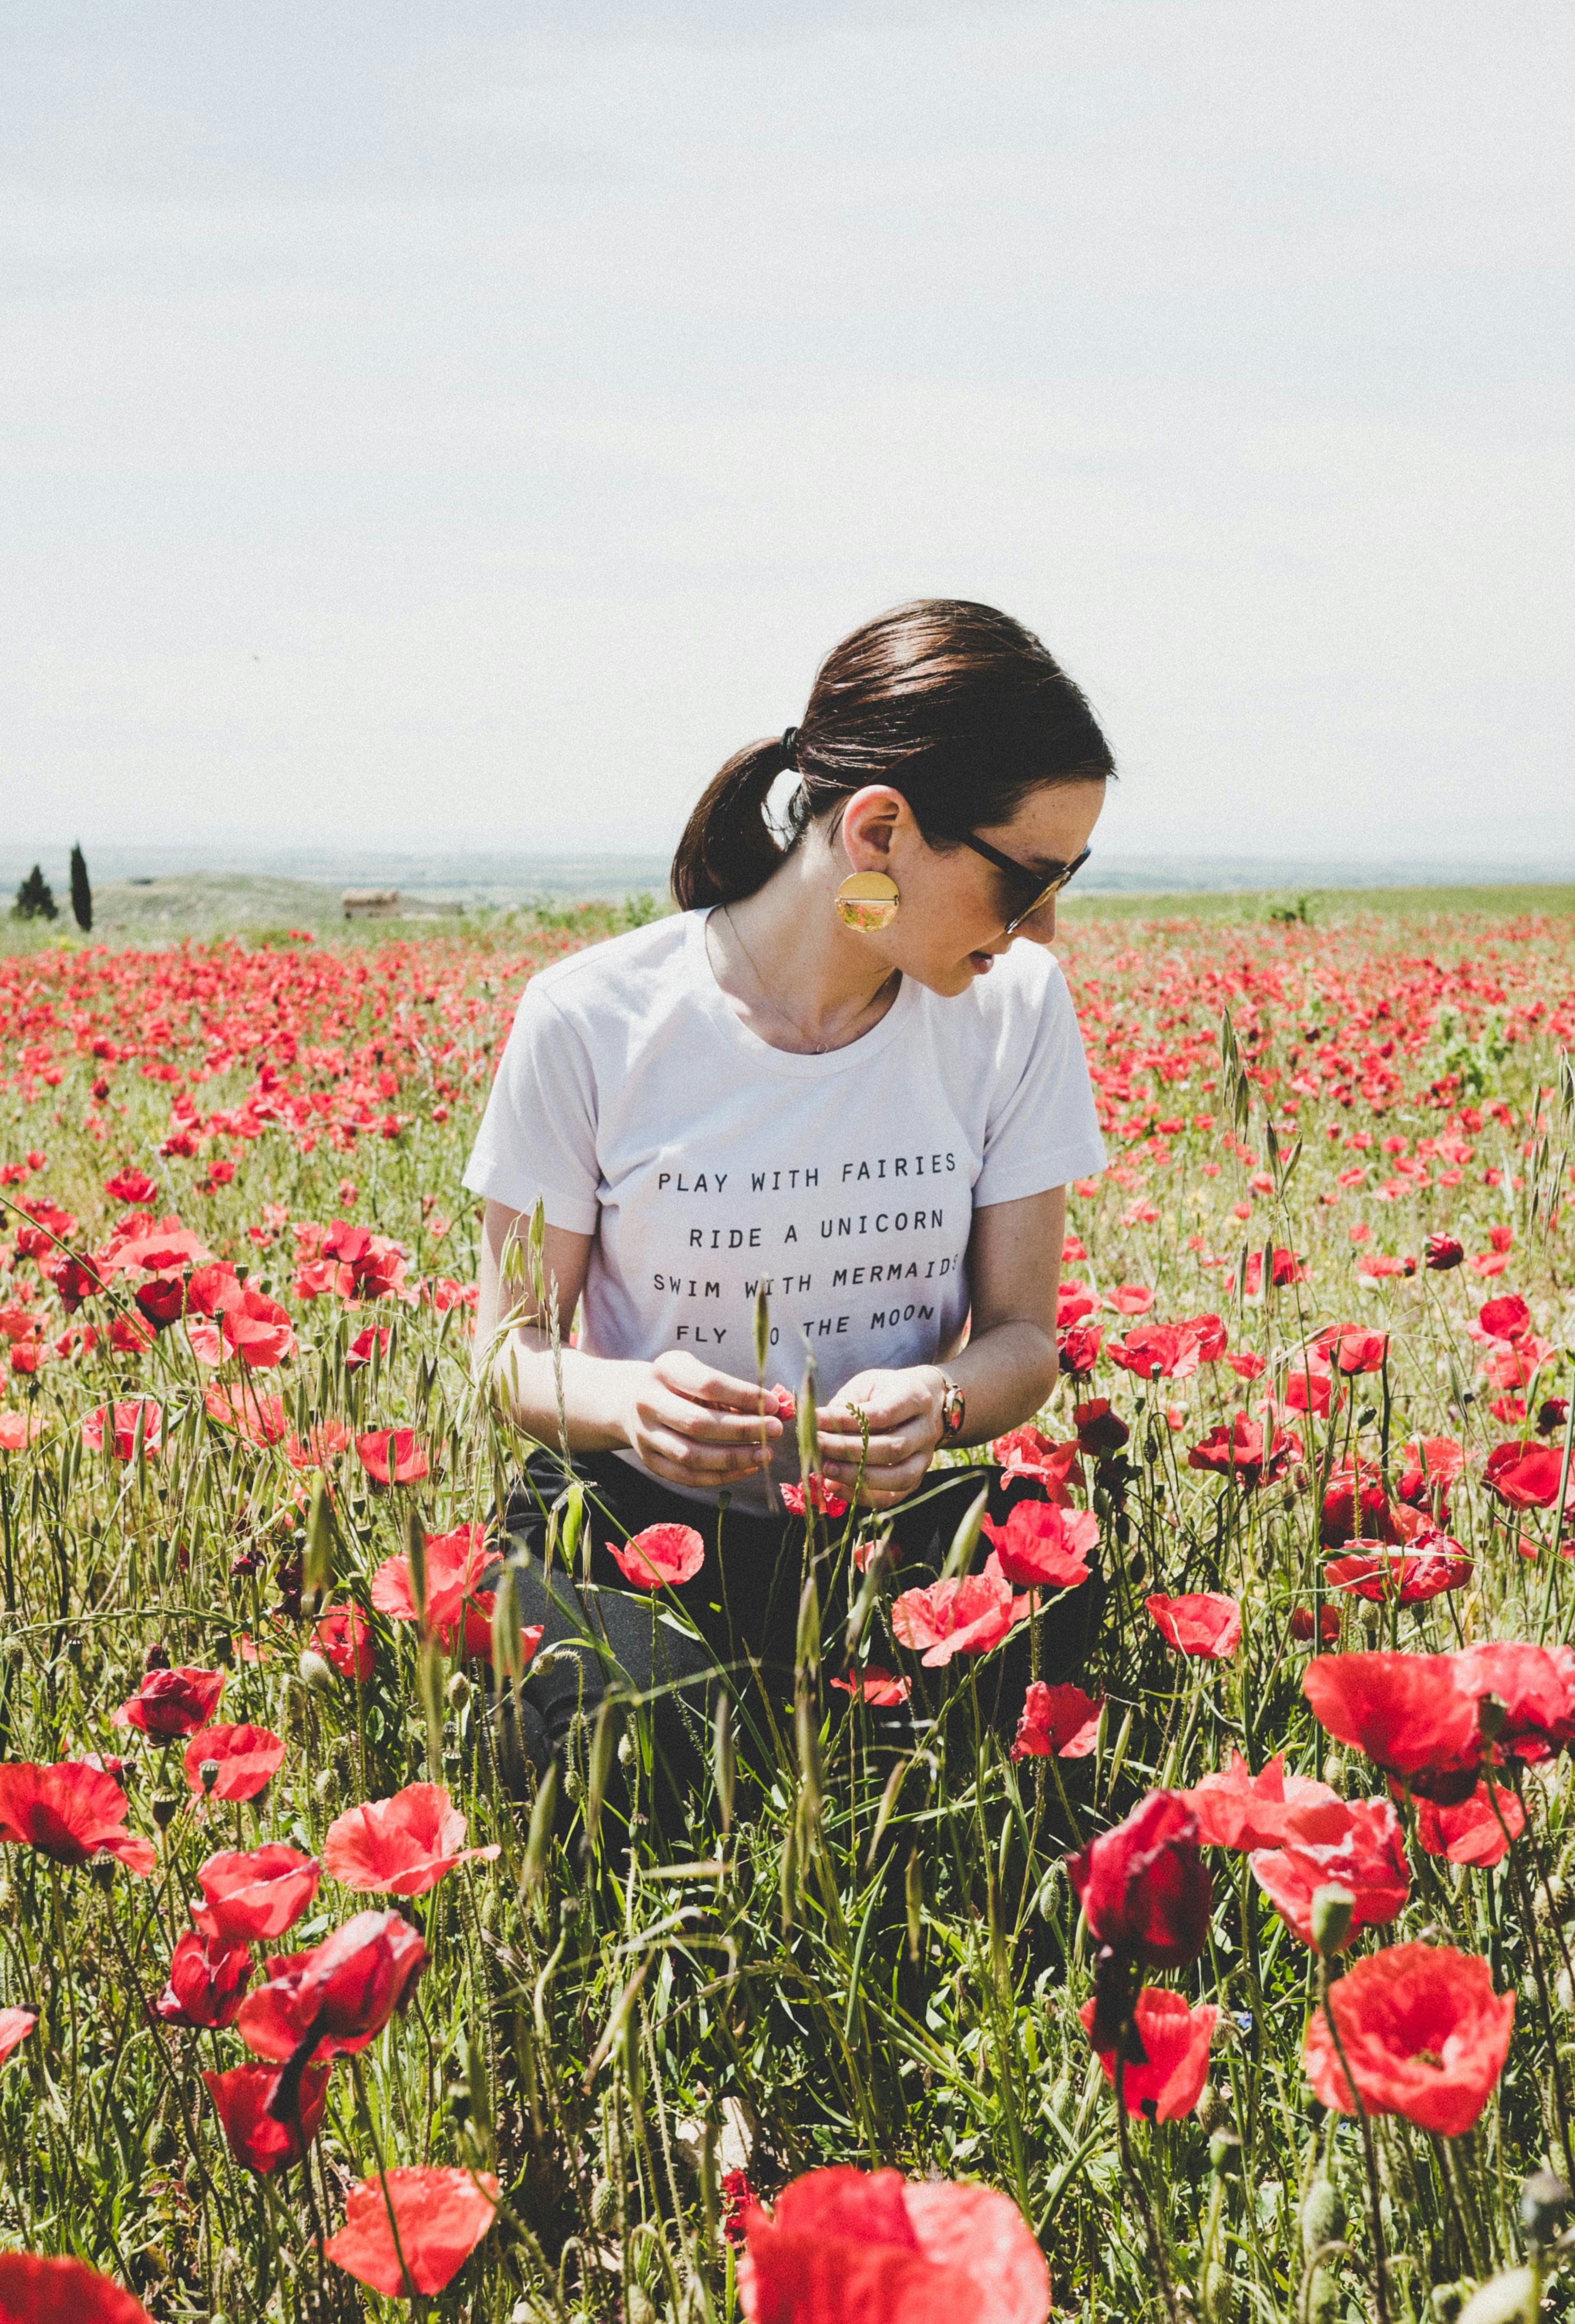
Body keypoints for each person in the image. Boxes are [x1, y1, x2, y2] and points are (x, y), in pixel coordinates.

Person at [465, 598, 1111, 1806]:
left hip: (898, 1516)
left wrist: (941, 1398)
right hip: (633, 1509)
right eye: (1026, 879)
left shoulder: (1017, 1010)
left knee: (1004, 1742)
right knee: (642, 1758)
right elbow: (512, 1357)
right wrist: (629, 1401)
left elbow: (1024, 1339)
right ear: (879, 829)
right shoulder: (592, 1019)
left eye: (1067, 880)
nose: (1046, 926)